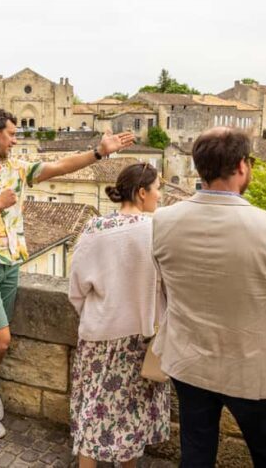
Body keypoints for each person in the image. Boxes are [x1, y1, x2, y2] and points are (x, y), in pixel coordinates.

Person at [0, 109, 134, 439]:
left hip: (10, 263)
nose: (16, 140)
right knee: (0, 340)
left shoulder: (15, 168)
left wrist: (99, 152)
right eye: (12, 134)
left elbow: (58, 167)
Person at [151, 127, 266, 467]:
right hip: (252, 369)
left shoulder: (163, 220)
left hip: (189, 361)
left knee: (196, 453)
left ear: (200, 168)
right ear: (243, 165)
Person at [68, 162, 170, 467]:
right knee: (132, 421)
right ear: (141, 193)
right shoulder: (156, 231)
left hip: (98, 336)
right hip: (140, 339)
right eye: (157, 188)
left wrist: (98, 315)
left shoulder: (94, 227)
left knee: (91, 418)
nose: (160, 195)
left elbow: (76, 289)